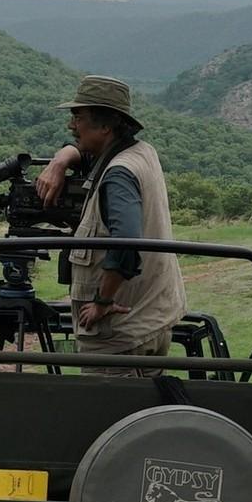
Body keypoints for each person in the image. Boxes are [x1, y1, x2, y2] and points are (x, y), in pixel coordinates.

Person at [33, 76, 186, 377]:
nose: (71, 125)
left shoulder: (118, 175)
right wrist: (61, 159)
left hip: (120, 338)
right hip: (149, 321)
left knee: (106, 408)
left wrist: (102, 301)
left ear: (105, 126)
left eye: (78, 117)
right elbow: (89, 155)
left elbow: (126, 241)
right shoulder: (140, 152)